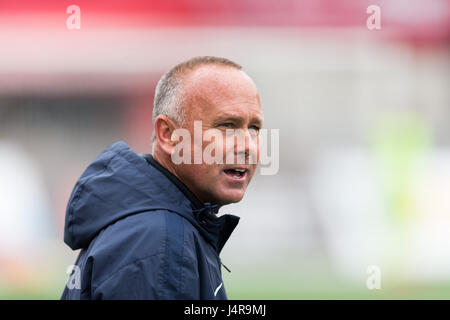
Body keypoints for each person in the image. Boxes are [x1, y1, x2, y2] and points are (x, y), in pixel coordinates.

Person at [61, 56, 263, 299]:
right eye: (226, 125)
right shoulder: (160, 243)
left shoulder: (161, 228)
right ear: (168, 135)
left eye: (253, 128)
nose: (247, 145)